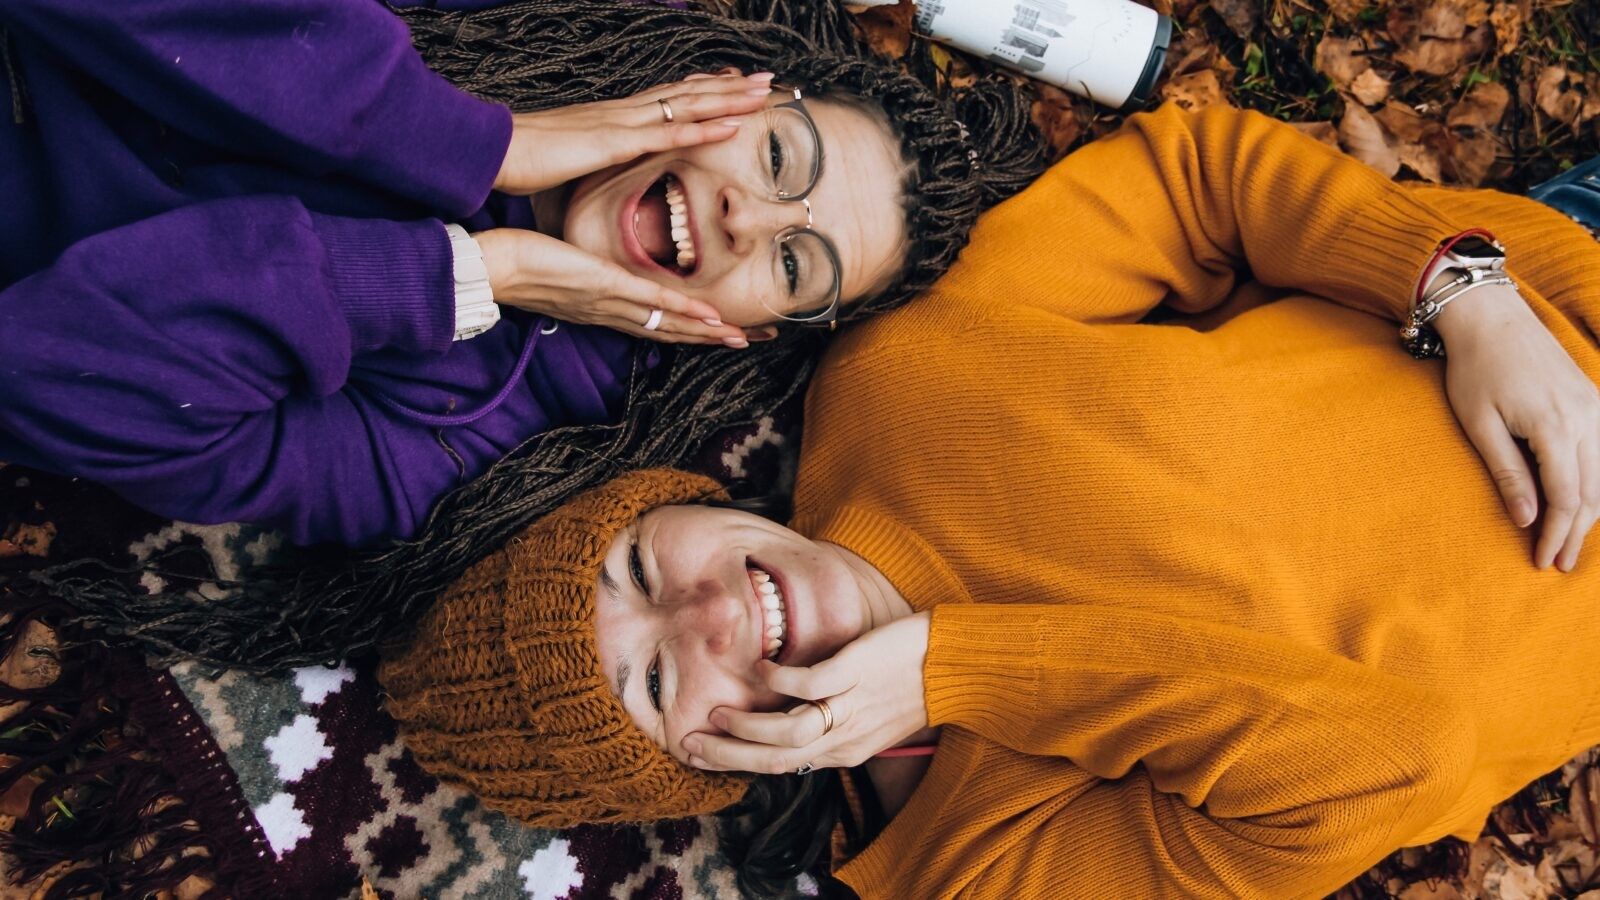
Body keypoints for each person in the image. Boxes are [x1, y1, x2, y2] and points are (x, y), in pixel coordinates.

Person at [378, 104, 1600, 899]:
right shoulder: (976, 869)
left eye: (638, 568)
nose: (705, 611)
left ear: (668, 501)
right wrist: (957, 669)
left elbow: (1195, 179)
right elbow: (1387, 762)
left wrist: (1458, 290)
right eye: (651, 682)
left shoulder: (891, 381)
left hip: (1558, 292)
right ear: (696, 768)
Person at [0, 0, 1043, 670]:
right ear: (727, 89)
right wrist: (478, 144)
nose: (747, 220)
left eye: (792, 264)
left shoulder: (477, 446)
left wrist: (457, 275)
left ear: (751, 334)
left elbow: (47, 380)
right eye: (780, 158)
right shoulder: (519, 16)